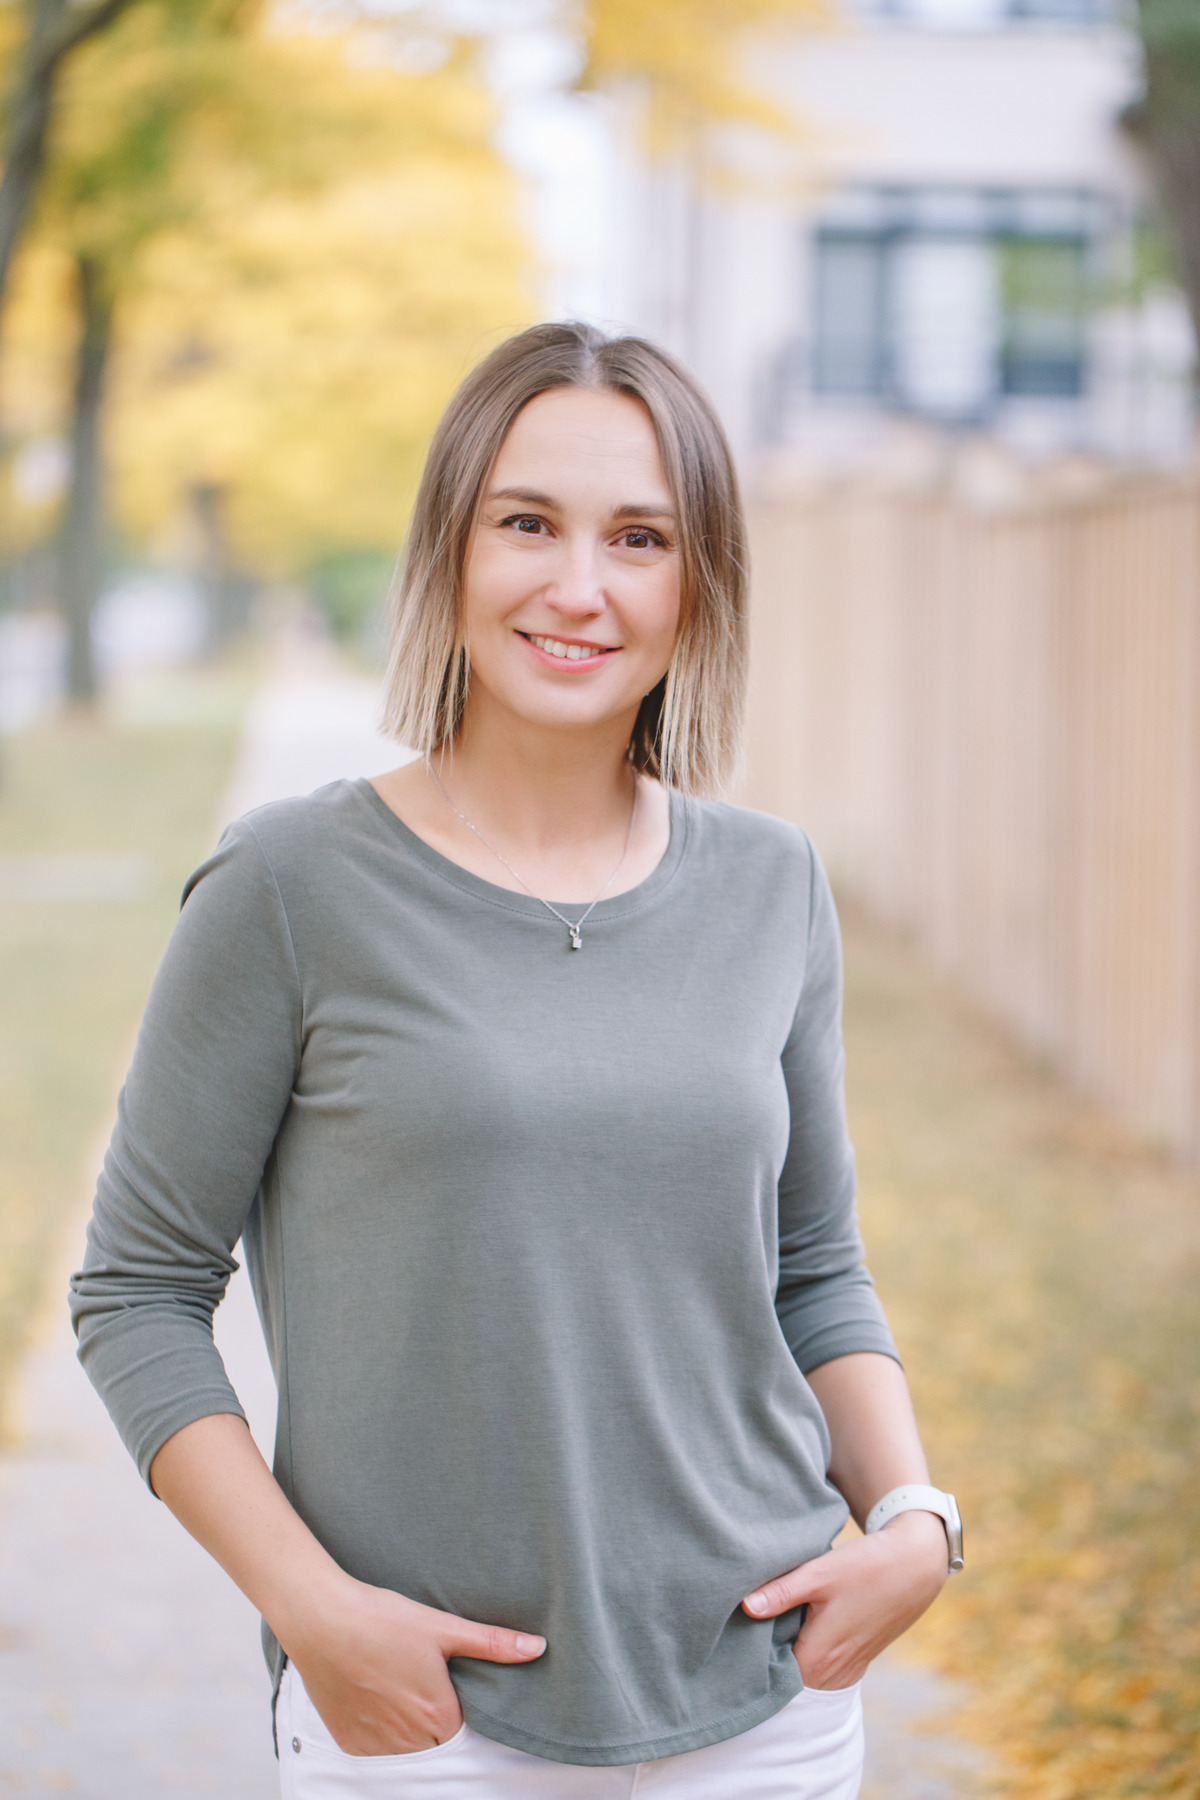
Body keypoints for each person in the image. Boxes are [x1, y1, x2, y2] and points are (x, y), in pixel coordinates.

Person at [70, 321, 958, 1799]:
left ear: (698, 584)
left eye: (641, 537)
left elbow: (811, 1265)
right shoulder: (292, 886)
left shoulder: (772, 886)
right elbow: (139, 1292)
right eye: (527, 523)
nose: (579, 587)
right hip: (426, 1722)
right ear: (450, 548)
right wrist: (310, 1610)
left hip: (767, 1704)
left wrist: (917, 1523)